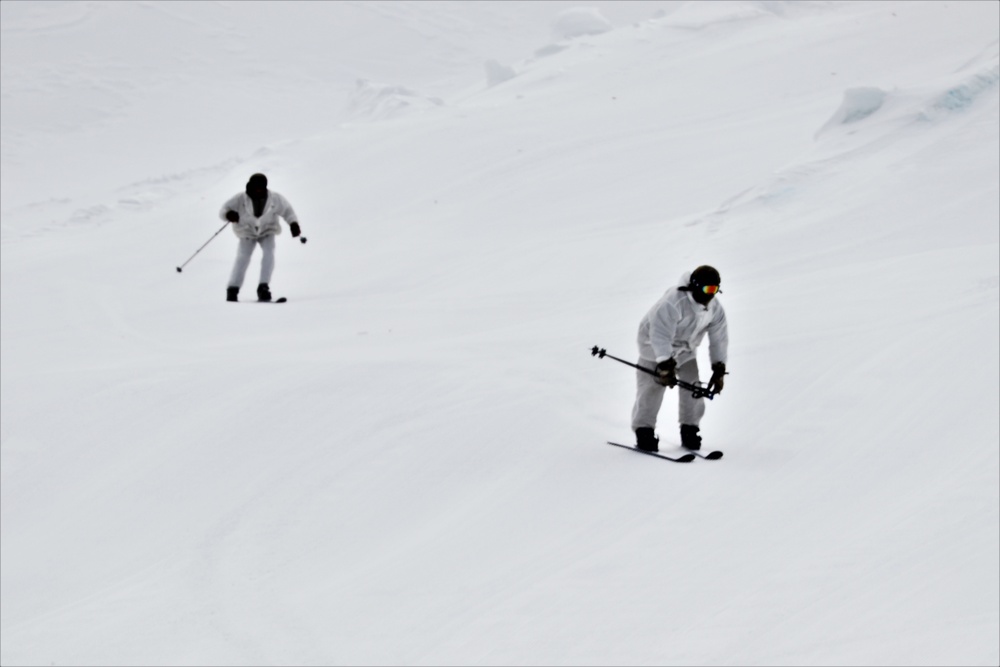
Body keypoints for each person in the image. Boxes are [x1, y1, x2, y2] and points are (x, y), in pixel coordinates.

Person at [632, 265, 728, 452]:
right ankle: (644, 431)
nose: (711, 295)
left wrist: (719, 368)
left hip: (685, 350)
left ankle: (689, 429)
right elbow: (659, 334)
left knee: (693, 387)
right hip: (652, 346)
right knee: (653, 385)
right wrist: (665, 365)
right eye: (707, 289)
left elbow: (719, 339)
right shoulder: (674, 302)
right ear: (695, 287)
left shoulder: (715, 309)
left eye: (715, 290)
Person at [219, 173, 302, 302]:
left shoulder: (275, 198)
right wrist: (228, 214)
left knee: (269, 253)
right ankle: (232, 289)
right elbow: (224, 209)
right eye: (256, 187)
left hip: (267, 230)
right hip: (246, 231)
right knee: (243, 257)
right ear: (250, 186)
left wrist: (293, 224)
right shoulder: (240, 198)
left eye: (261, 187)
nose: (258, 189)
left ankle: (263, 287)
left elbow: (287, 211)